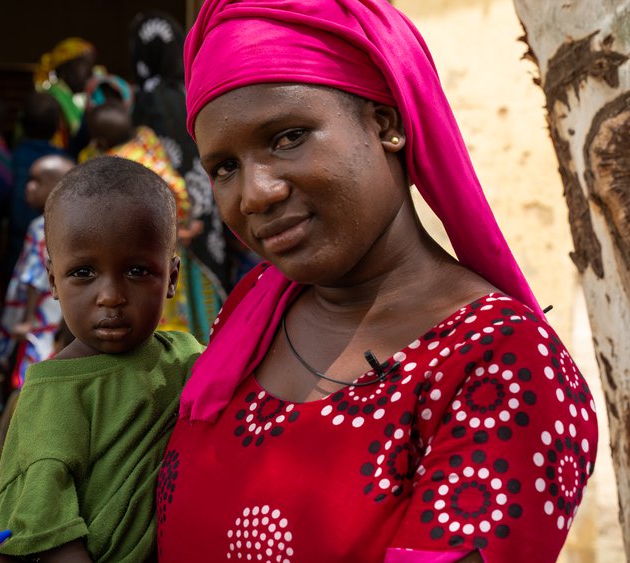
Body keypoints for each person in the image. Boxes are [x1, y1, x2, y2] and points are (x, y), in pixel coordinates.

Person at [156, 1, 599, 562]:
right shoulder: (251, 309)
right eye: (224, 167)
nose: (255, 193)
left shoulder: (501, 364)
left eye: (288, 137)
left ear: (385, 123)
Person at [0, 157, 205, 562]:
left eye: (138, 271)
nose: (111, 295)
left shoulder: (186, 358)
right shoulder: (54, 395)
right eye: (84, 273)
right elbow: (48, 528)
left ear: (172, 278)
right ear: (53, 281)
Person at [129, 10, 229, 339]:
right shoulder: (192, 94)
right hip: (205, 212)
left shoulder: (144, 101)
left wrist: (176, 220)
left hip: (170, 222)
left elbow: (153, 165)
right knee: (206, 312)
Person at [83, 101, 209, 339]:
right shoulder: (146, 140)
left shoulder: (112, 166)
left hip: (139, 245)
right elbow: (177, 190)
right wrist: (181, 226)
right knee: (168, 301)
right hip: (167, 238)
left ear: (99, 142)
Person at [0, 154, 75, 388]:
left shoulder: (41, 227)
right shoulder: (71, 223)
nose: (28, 187)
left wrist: (28, 319)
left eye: (37, 182)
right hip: (56, 310)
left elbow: (33, 277)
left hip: (37, 310)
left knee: (31, 368)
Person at [5, 92, 67, 278]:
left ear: (21, 124)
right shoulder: (64, 161)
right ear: (57, 127)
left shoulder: (12, 158)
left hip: (16, 243)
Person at [33, 37, 96, 148]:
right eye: (86, 65)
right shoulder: (51, 100)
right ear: (65, 69)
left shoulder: (69, 98)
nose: (91, 73)